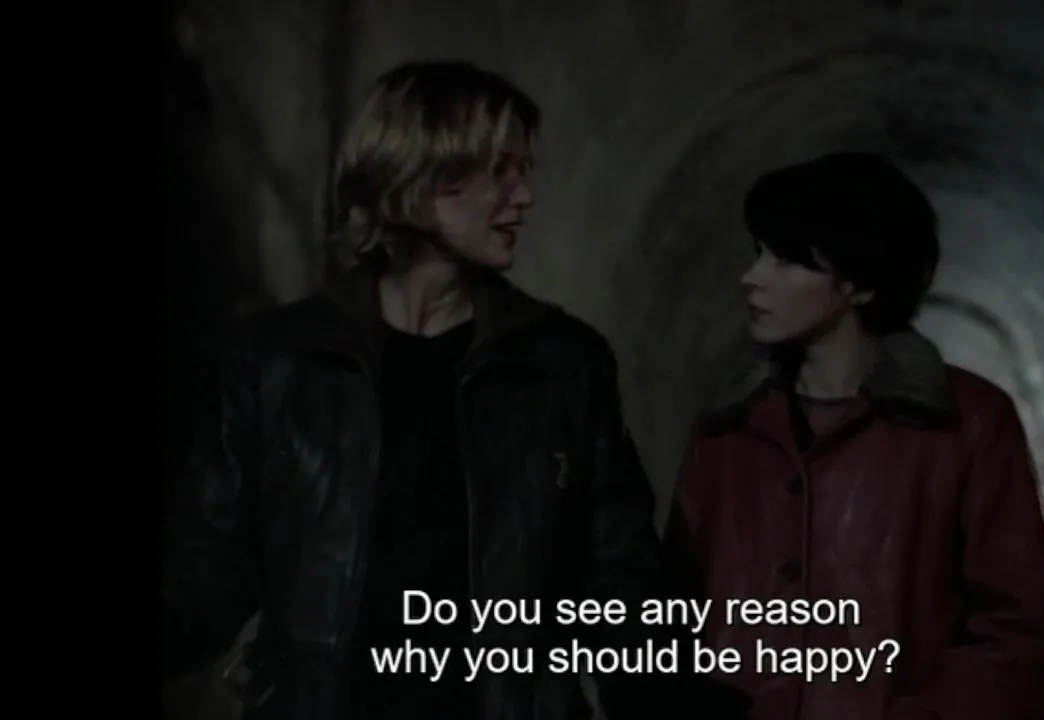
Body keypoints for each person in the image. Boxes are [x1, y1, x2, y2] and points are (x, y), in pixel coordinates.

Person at [162, 60, 744, 720]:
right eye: (500, 171)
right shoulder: (277, 362)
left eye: (525, 170)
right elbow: (206, 574)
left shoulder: (561, 365)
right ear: (418, 178)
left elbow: (619, 589)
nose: (524, 197)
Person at [662, 152, 1044, 720]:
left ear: (857, 283)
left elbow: (1024, 640)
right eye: (758, 252)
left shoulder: (968, 424)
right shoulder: (724, 437)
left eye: (786, 260)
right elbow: (670, 620)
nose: (752, 277)